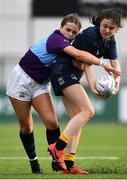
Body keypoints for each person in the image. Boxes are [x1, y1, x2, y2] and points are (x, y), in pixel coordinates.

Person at [6, 13, 120, 174]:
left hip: (41, 83)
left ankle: (58, 162)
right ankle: (34, 162)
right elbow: (80, 55)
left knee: (52, 123)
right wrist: (104, 64)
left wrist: (112, 80)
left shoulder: (70, 42)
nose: (70, 34)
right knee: (26, 127)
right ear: (61, 27)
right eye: (68, 30)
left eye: (74, 32)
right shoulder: (56, 39)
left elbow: (83, 61)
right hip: (21, 80)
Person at [48, 8, 122, 174]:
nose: (107, 30)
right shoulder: (90, 35)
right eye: (105, 26)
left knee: (77, 119)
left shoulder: (110, 40)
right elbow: (86, 61)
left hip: (72, 73)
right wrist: (93, 87)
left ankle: (68, 164)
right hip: (63, 70)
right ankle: (57, 147)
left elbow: (115, 64)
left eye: (112, 28)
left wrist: (116, 84)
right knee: (88, 111)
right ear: (99, 23)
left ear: (117, 29)